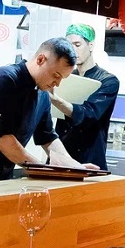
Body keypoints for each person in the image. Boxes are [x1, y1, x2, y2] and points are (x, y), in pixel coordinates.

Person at [0, 37, 98, 180]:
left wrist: (74, 167)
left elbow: (48, 138)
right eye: (56, 75)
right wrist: (44, 169)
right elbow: (2, 140)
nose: (57, 84)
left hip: (0, 178)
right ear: (40, 59)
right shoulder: (4, 80)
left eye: (61, 79)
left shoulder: (42, 94)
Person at [49, 23, 119, 170]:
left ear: (91, 45)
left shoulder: (108, 81)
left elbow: (89, 114)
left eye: (77, 44)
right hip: (63, 155)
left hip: (90, 155)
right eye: (69, 45)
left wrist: (56, 100)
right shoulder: (65, 76)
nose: (72, 50)